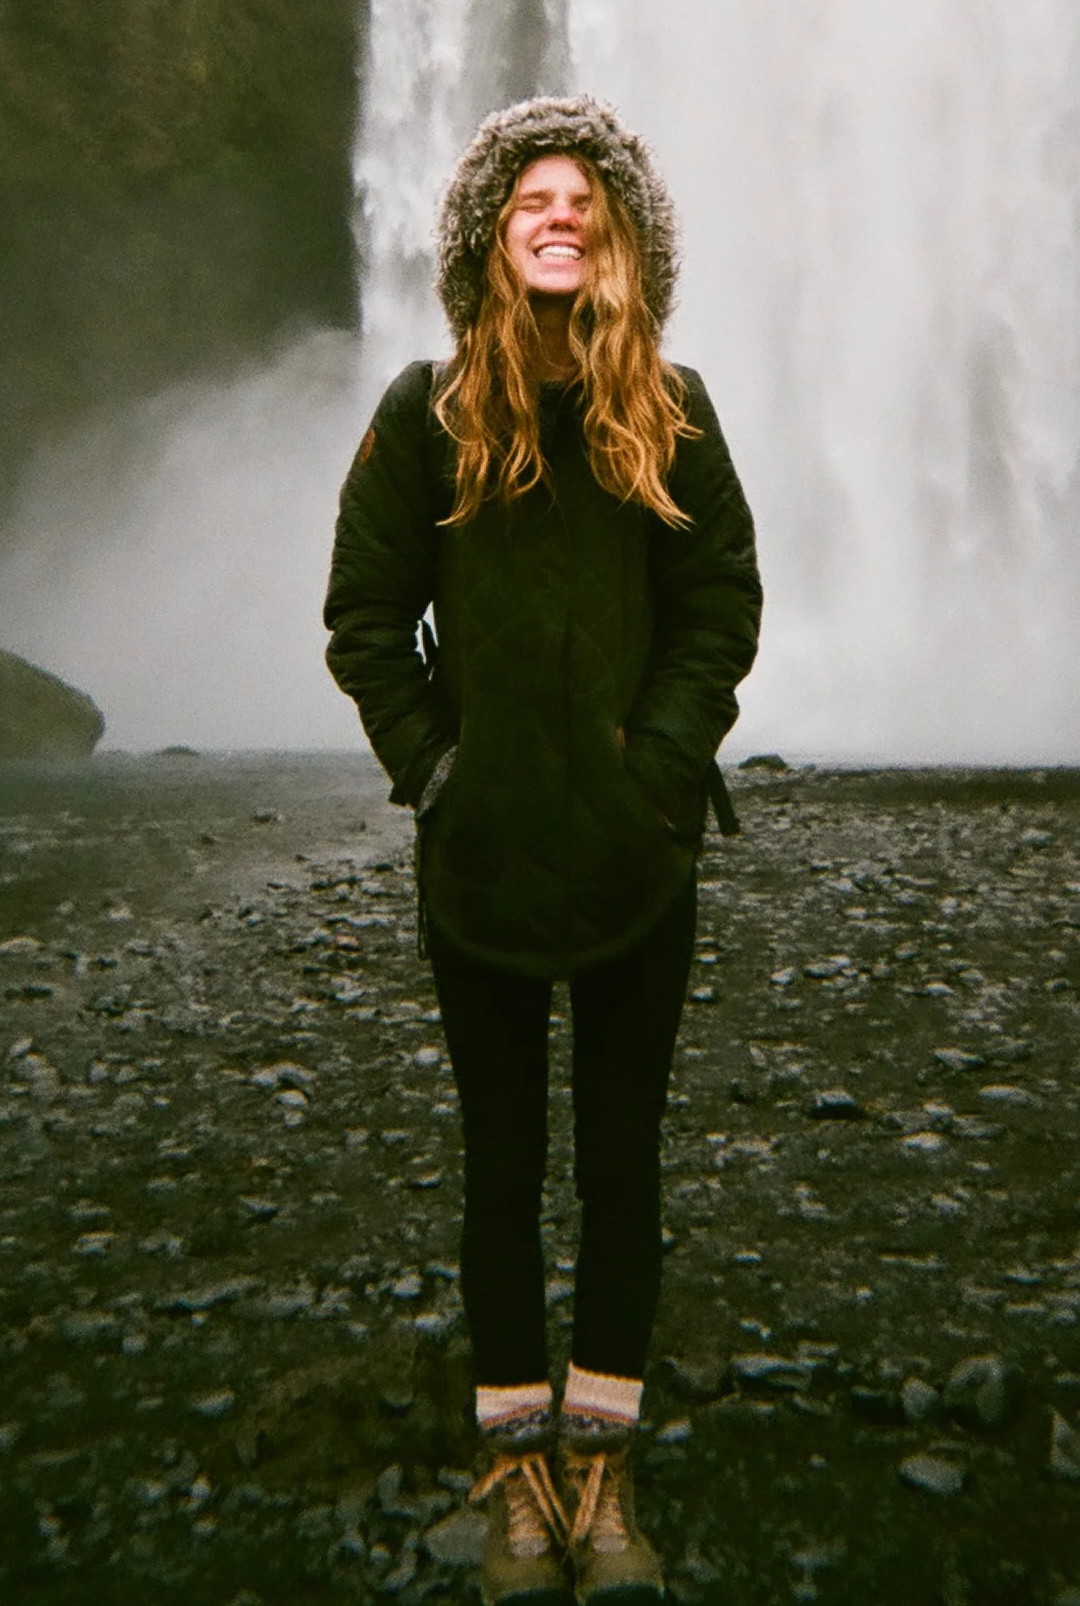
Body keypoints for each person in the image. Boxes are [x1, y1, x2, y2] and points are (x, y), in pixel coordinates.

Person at [325, 95, 761, 1603]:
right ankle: (516, 1468)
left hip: (640, 861)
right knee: (502, 1166)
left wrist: (656, 772)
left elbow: (722, 613)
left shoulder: (677, 410)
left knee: (622, 1165)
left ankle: (604, 1461)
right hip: (484, 858)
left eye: (586, 200)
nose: (560, 215)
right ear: (490, 240)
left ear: (622, 239)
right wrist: (439, 772)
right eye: (532, 202)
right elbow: (363, 619)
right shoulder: (424, 414)